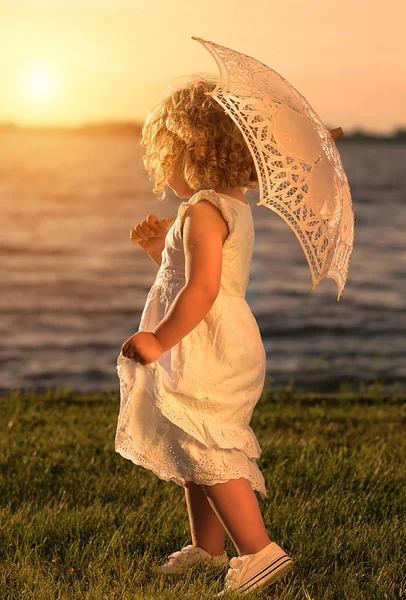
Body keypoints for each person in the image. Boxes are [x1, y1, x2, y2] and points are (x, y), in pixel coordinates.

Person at [115, 73, 293, 596]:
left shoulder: (202, 211)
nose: (165, 171)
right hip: (220, 337)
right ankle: (207, 548)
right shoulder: (230, 205)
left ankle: (260, 553)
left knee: (210, 449)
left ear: (192, 153)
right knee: (191, 442)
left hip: (203, 341)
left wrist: (157, 340)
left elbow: (202, 290)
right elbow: (191, 277)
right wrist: (157, 251)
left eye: (167, 158)